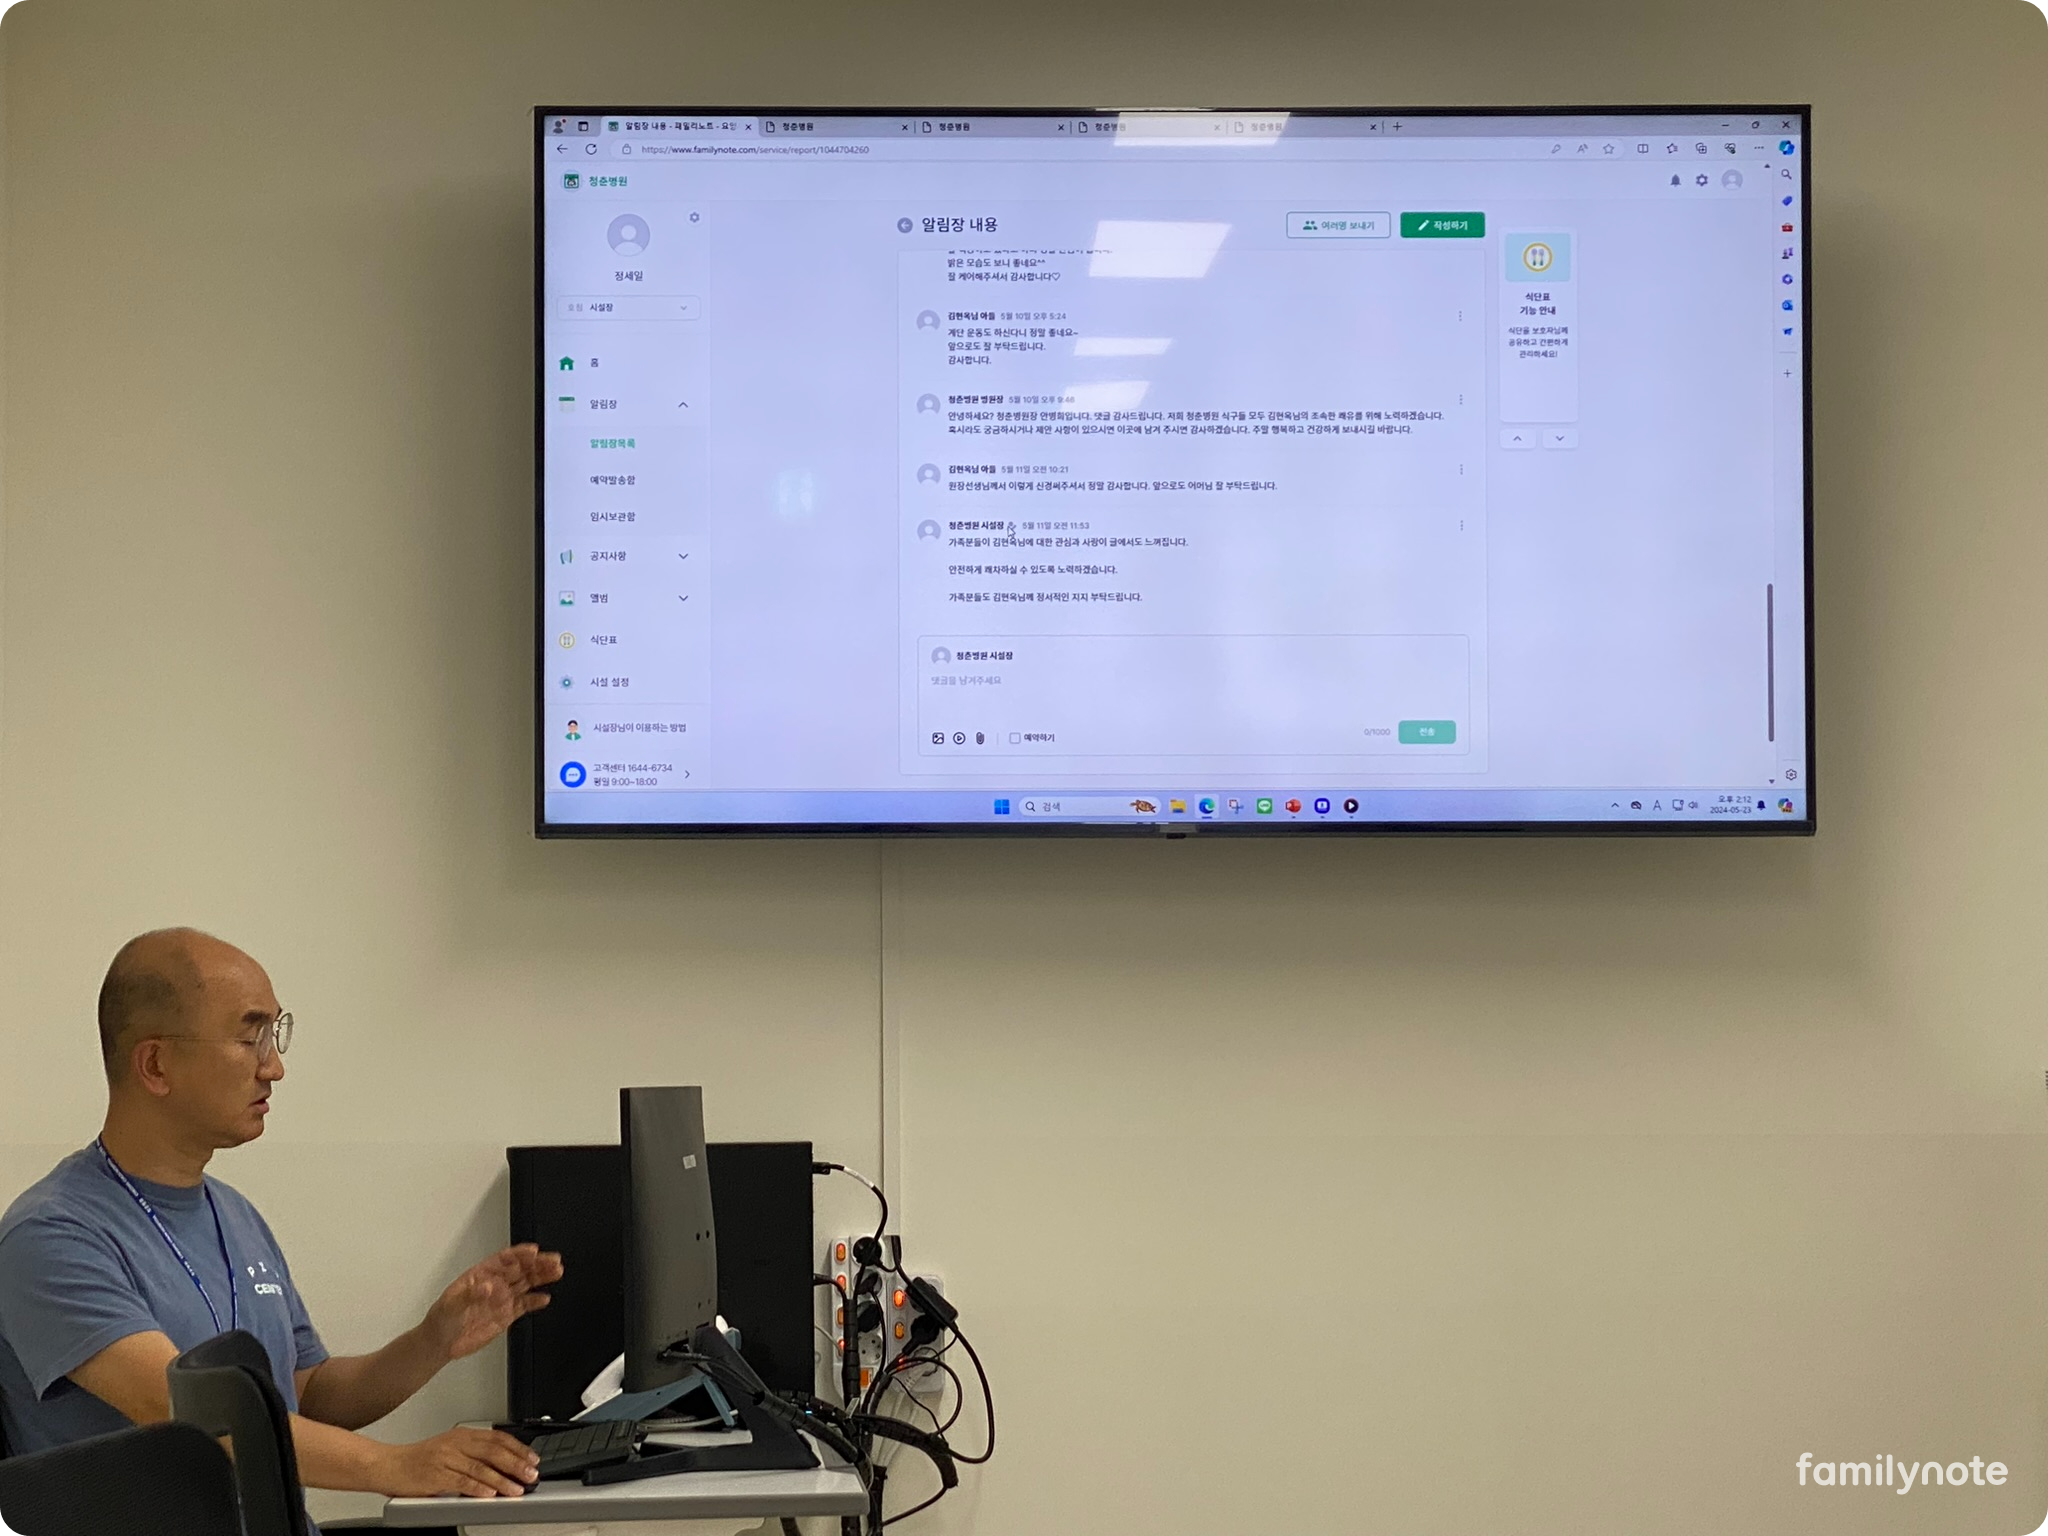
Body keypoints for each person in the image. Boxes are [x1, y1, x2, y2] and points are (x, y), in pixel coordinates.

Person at [0, 928, 563, 1508]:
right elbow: (181, 1413)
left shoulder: (235, 1214)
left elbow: (306, 1393)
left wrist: (432, 1341)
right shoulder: (50, 1236)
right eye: (250, 1038)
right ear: (156, 1064)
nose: (274, 1067)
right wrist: (395, 1464)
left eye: (275, 1034)